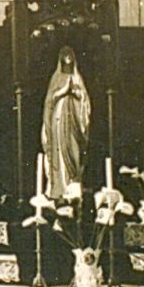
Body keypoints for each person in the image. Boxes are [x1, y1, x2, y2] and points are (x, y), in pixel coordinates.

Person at [41, 45, 90, 201]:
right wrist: (63, 91)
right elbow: (50, 100)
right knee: (59, 152)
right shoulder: (57, 77)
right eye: (65, 56)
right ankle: (58, 189)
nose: (67, 59)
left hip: (73, 124)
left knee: (73, 151)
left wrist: (75, 92)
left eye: (70, 56)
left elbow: (85, 101)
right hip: (59, 120)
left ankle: (72, 186)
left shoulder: (77, 77)